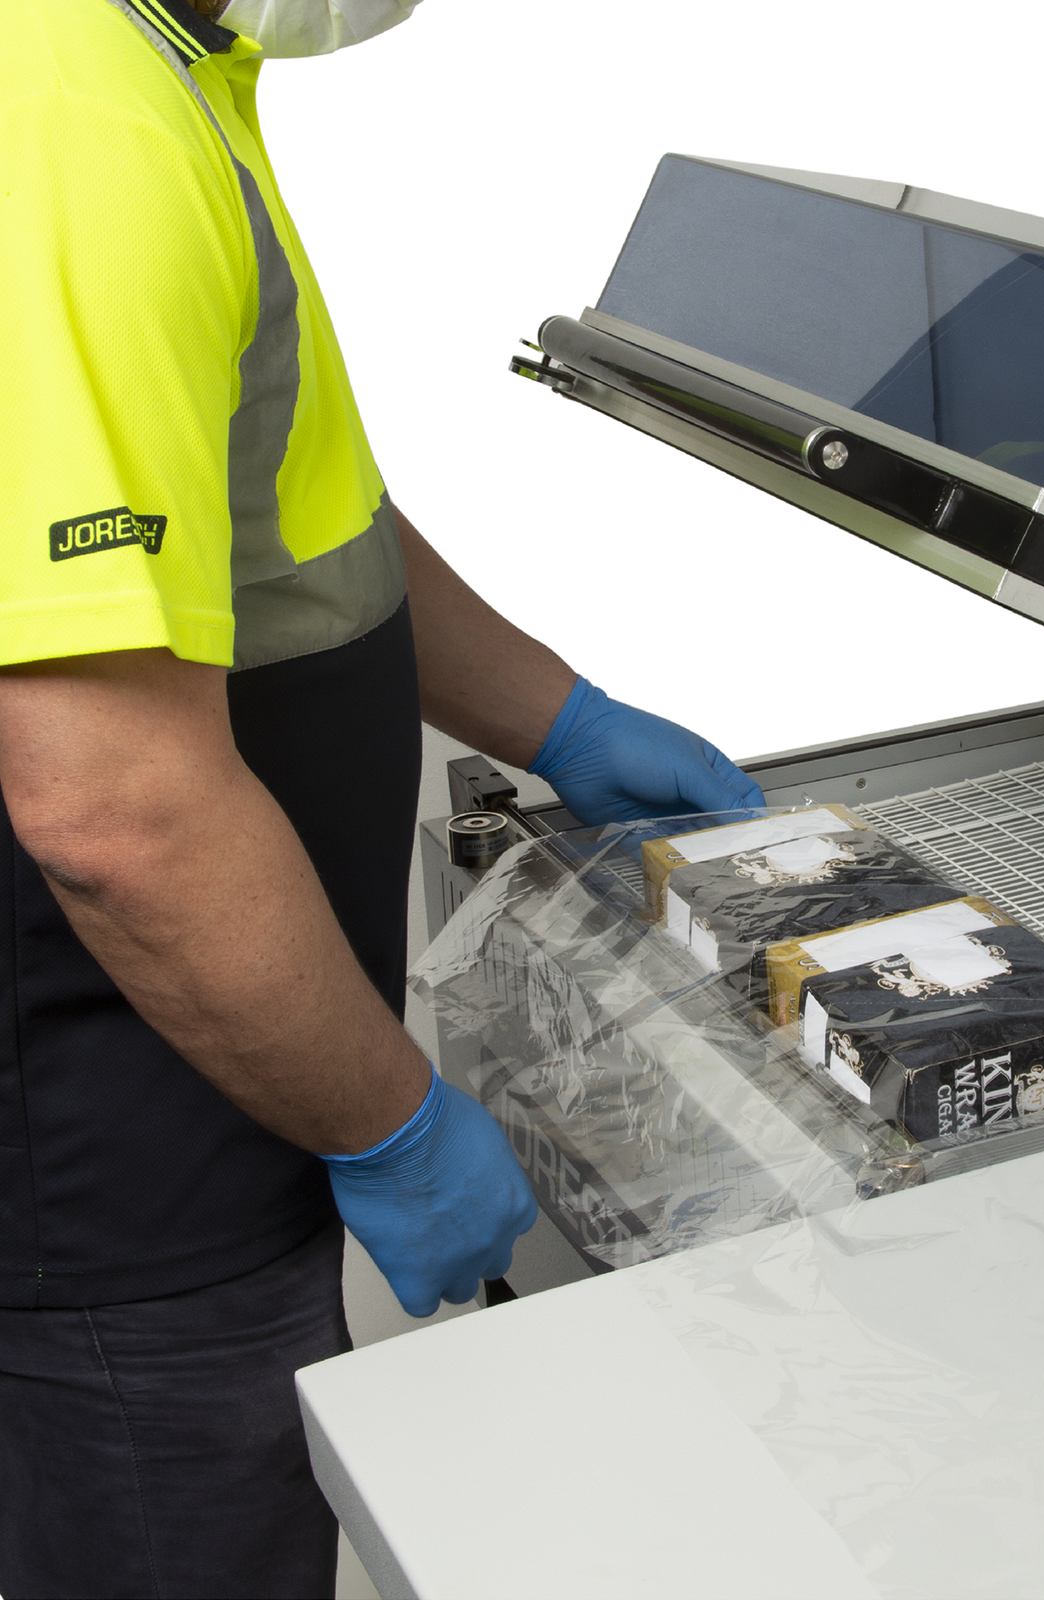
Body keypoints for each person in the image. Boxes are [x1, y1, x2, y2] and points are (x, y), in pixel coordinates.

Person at [0, 1, 764, 1595]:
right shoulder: (72, 121)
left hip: (194, 1094)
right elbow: (113, 806)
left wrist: (559, 716)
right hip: (111, 1164)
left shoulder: (160, 59)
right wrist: (391, 1123)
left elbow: (282, 520)